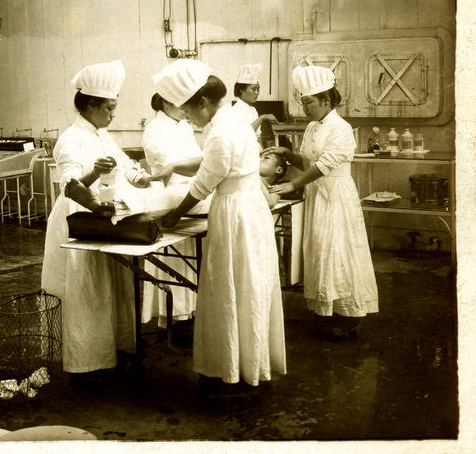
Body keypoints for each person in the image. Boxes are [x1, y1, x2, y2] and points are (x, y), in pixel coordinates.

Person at [158, 59, 285, 397]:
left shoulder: (221, 131)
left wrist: (172, 217)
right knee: (248, 285)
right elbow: (208, 163)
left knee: (229, 287)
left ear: (202, 102)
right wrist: (171, 167)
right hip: (248, 209)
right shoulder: (230, 119)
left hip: (235, 214)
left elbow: (203, 184)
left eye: (187, 111)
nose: (187, 117)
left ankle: (231, 371)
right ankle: (247, 362)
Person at [40, 60, 153, 380]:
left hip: (104, 218)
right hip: (78, 222)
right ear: (90, 105)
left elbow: (123, 163)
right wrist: (95, 174)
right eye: (109, 108)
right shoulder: (70, 139)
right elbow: (71, 185)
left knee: (111, 286)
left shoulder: (102, 134)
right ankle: (86, 362)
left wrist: (138, 176)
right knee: (87, 291)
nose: (113, 115)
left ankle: (113, 350)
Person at [265, 65, 378, 338]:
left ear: (326, 100)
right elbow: (307, 161)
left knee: (338, 250)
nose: (305, 108)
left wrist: (292, 184)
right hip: (317, 194)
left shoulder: (341, 128)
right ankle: (327, 311)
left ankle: (350, 316)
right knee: (321, 251)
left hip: (336, 195)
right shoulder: (313, 127)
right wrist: (286, 153)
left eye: (309, 103)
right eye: (303, 102)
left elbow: (324, 165)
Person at [139, 92, 206, 335]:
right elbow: (172, 167)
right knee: (174, 262)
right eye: (181, 103)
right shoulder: (155, 129)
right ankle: (173, 318)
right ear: (166, 103)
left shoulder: (183, 126)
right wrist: (197, 166)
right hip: (169, 195)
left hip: (188, 191)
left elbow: (199, 159)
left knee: (188, 261)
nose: (187, 108)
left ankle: (188, 314)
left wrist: (198, 166)